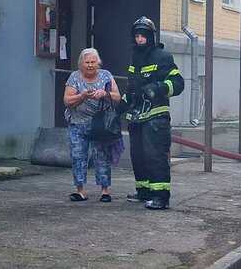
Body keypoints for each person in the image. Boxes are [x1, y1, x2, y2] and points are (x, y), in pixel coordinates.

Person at [119, 16, 184, 210]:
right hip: (137, 116)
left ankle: (161, 197)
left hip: (156, 116)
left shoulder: (162, 57)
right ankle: (144, 191)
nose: (140, 39)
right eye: (137, 36)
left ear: (150, 37)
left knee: (155, 156)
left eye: (143, 36)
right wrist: (118, 109)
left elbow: (178, 83)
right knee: (138, 156)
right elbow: (132, 89)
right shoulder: (135, 58)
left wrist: (159, 87)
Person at [63, 48, 123, 202]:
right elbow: (67, 101)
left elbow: (118, 97)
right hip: (77, 123)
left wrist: (105, 93)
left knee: (102, 156)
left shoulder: (106, 75)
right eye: (87, 62)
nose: (90, 65)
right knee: (78, 156)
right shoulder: (74, 77)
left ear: (98, 63)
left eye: (93, 62)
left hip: (100, 125)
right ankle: (80, 190)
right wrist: (82, 96)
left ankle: (105, 191)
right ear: (81, 64)